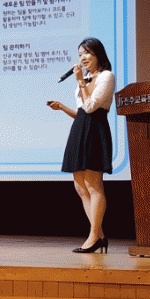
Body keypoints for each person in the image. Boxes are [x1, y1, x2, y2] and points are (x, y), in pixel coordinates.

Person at [48, 37, 115, 253]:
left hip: (95, 128)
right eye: (80, 54)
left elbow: (91, 107)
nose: (82, 58)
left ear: (98, 54)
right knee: (80, 186)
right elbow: (81, 112)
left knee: (94, 184)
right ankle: (99, 235)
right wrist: (62, 107)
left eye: (87, 53)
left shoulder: (106, 76)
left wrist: (80, 81)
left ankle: (93, 236)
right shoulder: (85, 79)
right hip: (80, 128)